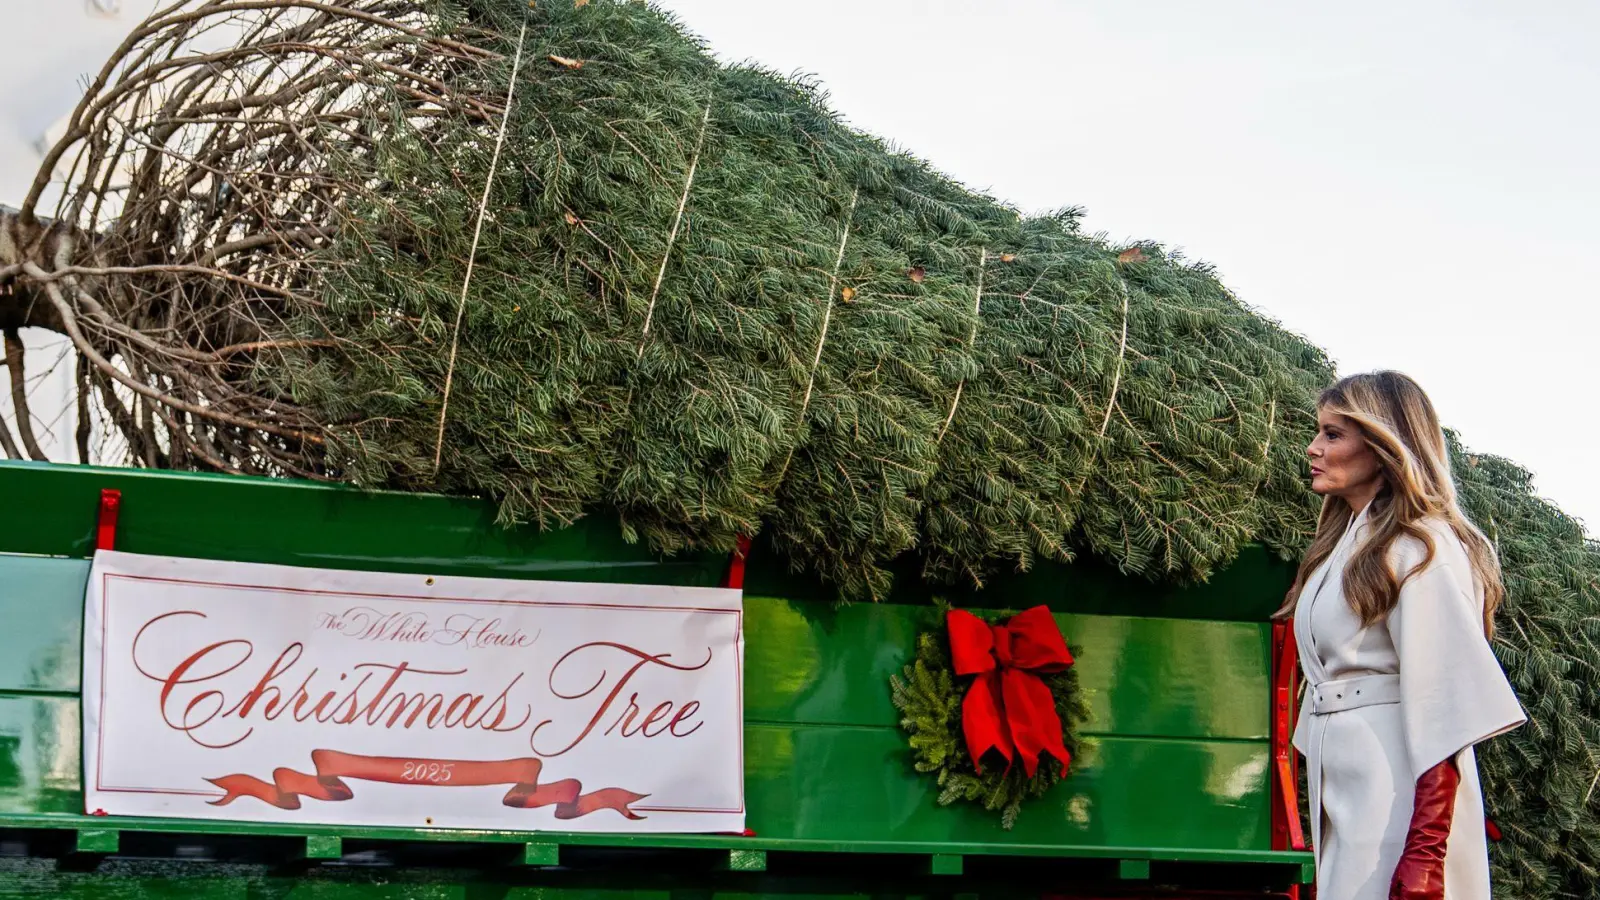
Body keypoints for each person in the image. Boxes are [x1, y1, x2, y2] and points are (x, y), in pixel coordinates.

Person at [1275, 371, 1526, 900]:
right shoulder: (1344, 546)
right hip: (1348, 783)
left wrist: (1426, 856)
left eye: (1333, 434)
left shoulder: (1422, 545)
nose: (1312, 447)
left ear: (1385, 443)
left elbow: (1448, 706)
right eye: (1318, 432)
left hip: (1397, 790)